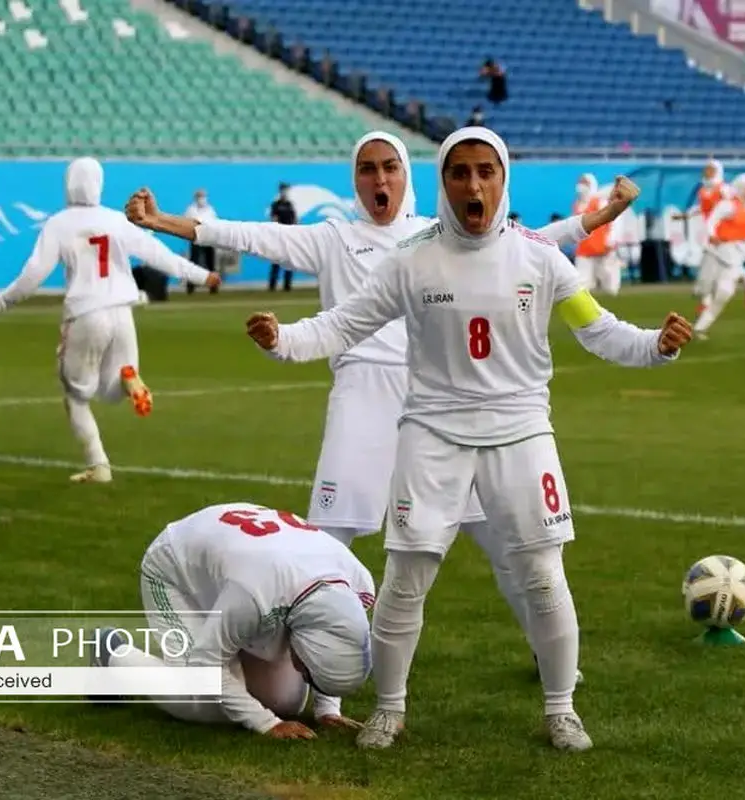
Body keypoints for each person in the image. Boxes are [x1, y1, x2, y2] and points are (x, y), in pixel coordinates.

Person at [123, 133, 638, 686]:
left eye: (389, 167)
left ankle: (550, 655)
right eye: (367, 170)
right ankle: (309, 675)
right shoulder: (333, 238)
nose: (380, 180)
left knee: (502, 539)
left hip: (438, 405)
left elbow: (530, 240)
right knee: (322, 541)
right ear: (356, 180)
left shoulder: (435, 232)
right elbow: (254, 236)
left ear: (406, 175)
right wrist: (165, 221)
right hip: (361, 395)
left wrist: (602, 215)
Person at [244, 127, 693, 752]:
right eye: (460, 173)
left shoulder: (540, 258)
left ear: (503, 178)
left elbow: (601, 331)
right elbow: (344, 324)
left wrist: (655, 347)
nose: (474, 185)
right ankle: (390, 710)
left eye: (486, 171)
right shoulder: (413, 259)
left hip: (521, 433)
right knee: (405, 577)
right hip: (433, 434)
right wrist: (283, 339)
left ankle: (561, 709)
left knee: (541, 573)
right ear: (444, 183)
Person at [0, 157, 220, 483]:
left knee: (76, 396)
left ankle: (99, 465)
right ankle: (130, 379)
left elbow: (34, 273)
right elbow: (158, 254)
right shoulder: (115, 220)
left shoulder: (60, 223)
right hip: (122, 311)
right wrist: (202, 276)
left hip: (85, 314)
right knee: (111, 391)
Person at [90, 500, 374, 739]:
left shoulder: (358, 585)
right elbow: (205, 664)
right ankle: (112, 653)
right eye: (308, 669)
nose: (302, 671)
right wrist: (266, 724)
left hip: (246, 573)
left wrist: (328, 709)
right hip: (176, 570)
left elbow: (338, 638)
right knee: (202, 699)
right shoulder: (257, 592)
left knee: (283, 702)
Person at [691, 174, 745, 340]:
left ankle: (700, 328)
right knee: (703, 286)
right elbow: (712, 220)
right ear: (742, 187)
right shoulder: (727, 205)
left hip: (735, 253)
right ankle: (711, 299)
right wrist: (711, 235)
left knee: (725, 292)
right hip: (715, 250)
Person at [674, 159, 736, 299]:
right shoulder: (703, 190)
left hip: (722, 233)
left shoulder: (724, 189)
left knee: (716, 262)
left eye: (710, 169)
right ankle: (705, 293)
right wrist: (686, 215)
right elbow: (701, 208)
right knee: (713, 261)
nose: (706, 171)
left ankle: (703, 292)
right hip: (710, 232)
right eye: (706, 169)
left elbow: (733, 208)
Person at [572, 174, 624, 295]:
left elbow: (614, 221)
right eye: (580, 182)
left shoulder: (600, 202)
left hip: (602, 249)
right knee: (582, 285)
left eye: (584, 183)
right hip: (584, 250)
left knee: (609, 284)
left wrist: (611, 240)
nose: (581, 186)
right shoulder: (577, 205)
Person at [183, 189, 219, 294]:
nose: (202, 199)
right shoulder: (191, 210)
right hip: (196, 238)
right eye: (199, 197)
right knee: (194, 263)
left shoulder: (210, 210)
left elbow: (215, 223)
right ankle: (191, 286)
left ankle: (213, 286)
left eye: (203, 196)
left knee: (211, 263)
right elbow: (186, 222)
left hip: (209, 239)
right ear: (195, 198)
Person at [268, 184, 297, 292]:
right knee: (276, 261)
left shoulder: (290, 204)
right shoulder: (276, 205)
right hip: (279, 236)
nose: (285, 192)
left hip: (289, 237)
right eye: (283, 190)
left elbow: (294, 220)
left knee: (289, 262)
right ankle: (272, 285)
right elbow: (273, 219)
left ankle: (287, 285)